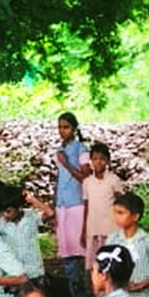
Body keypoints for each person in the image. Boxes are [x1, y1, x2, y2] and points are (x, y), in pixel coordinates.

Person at [52, 111, 92, 281]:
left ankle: (84, 284)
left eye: (66, 127)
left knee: (79, 248)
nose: (62, 131)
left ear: (74, 129)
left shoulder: (81, 150)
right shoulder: (60, 150)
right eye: (60, 127)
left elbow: (86, 177)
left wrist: (67, 163)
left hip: (76, 202)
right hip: (62, 203)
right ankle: (71, 287)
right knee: (66, 248)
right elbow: (59, 177)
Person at [81, 142, 123, 269]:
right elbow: (86, 206)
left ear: (108, 161)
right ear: (90, 161)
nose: (98, 163)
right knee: (94, 262)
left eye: (102, 159)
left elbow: (120, 203)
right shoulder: (87, 182)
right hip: (93, 227)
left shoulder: (113, 180)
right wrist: (83, 229)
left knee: (110, 259)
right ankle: (94, 286)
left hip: (110, 227)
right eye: (95, 159)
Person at [0, 185, 49, 283]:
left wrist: (32, 199)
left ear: (19, 208)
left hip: (34, 271)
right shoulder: (1, 223)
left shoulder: (31, 217)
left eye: (9, 211)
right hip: (14, 274)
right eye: (3, 211)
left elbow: (50, 213)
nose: (5, 215)